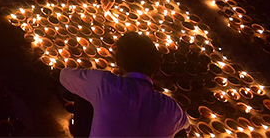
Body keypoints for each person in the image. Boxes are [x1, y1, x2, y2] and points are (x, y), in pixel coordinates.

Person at [59, 32, 189, 138]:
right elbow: (187, 127)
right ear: (157, 66)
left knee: (84, 91)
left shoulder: (104, 84)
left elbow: (64, 76)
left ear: (118, 61)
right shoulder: (172, 109)